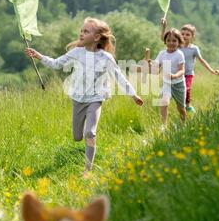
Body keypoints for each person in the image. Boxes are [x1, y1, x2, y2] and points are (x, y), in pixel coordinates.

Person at [25, 17, 144, 178]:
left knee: (90, 132)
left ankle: (87, 170)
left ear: (96, 37)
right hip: (78, 99)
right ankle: (83, 150)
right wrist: (39, 56)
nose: (81, 33)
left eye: (86, 31)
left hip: (95, 99)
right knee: (77, 136)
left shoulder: (106, 58)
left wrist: (133, 94)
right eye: (81, 30)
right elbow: (56, 64)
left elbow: (119, 77)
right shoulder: (76, 53)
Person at [161, 19, 219, 112]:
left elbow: (201, 60)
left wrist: (212, 71)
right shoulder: (177, 46)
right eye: (183, 34)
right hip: (177, 73)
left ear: (193, 36)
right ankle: (179, 103)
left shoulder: (194, 49)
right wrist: (164, 27)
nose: (184, 36)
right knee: (174, 90)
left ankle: (187, 105)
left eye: (187, 34)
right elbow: (164, 40)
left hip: (188, 74)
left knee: (187, 88)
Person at [149, 28, 186, 128]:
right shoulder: (162, 54)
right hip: (167, 84)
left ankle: (183, 123)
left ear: (179, 42)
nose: (171, 43)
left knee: (181, 107)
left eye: (174, 40)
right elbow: (156, 70)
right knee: (164, 102)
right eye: (168, 40)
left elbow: (182, 70)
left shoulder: (179, 54)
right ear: (165, 41)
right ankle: (163, 126)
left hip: (178, 84)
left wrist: (174, 76)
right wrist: (151, 64)